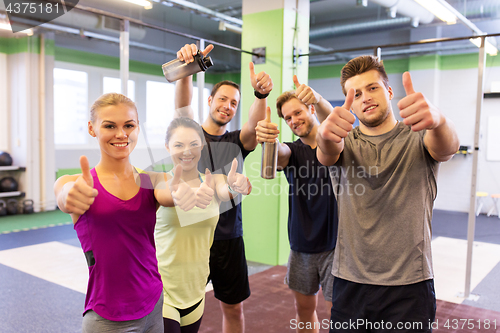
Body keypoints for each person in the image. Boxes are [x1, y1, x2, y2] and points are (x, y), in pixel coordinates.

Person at [316, 55, 459, 332]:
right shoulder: (344, 141)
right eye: (355, 94)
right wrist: (323, 136)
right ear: (350, 102)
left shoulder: (418, 135)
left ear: (389, 91)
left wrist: (439, 120)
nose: (365, 98)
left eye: (373, 88)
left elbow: (447, 147)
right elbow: (327, 153)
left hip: (409, 286)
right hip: (350, 283)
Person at [54, 93, 186, 333]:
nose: (121, 134)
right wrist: (70, 195)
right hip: (108, 317)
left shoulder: (152, 180)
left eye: (129, 125)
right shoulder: (75, 182)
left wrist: (178, 192)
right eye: (109, 126)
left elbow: (168, 192)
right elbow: (65, 196)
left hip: (154, 302)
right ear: (92, 129)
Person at [174, 43, 273, 333]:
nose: (227, 106)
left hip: (229, 238)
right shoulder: (190, 133)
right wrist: (187, 69)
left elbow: (254, 125)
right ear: (209, 100)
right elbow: (181, 107)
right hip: (193, 236)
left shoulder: (238, 141)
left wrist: (261, 95)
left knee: (233, 310)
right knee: (183, 310)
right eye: (223, 99)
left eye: (234, 103)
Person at [254, 76, 338, 333]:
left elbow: (333, 121)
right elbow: (280, 153)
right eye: (287, 118)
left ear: (311, 108)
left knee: (339, 315)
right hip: (301, 246)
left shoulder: (336, 144)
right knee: (304, 313)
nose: (293, 121)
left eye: (298, 112)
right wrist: (269, 140)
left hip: (337, 245)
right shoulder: (291, 151)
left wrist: (319, 98)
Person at [154, 117, 252, 333]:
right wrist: (179, 195)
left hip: (196, 288)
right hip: (163, 288)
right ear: (167, 147)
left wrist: (235, 187)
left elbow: (225, 192)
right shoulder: (160, 180)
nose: (186, 151)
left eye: (193, 144)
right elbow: (164, 195)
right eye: (178, 145)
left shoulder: (214, 179)